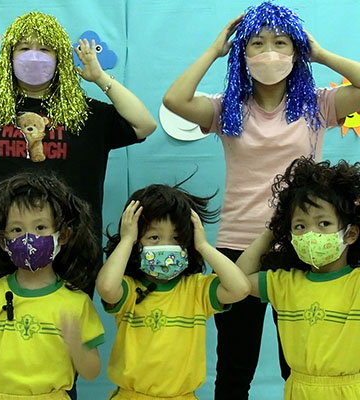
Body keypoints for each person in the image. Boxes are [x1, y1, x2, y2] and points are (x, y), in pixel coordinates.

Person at [162, 2, 360, 398]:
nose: (269, 52)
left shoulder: (317, 104)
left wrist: (320, 54)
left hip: (302, 245)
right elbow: (175, 101)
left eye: (281, 42)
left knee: (299, 360)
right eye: (257, 43)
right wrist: (215, 50)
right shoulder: (228, 108)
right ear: (243, 53)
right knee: (235, 366)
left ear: (296, 51)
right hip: (237, 247)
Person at [0, 11, 156, 303]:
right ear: (9, 57)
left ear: (60, 58)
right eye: (24, 48)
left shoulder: (87, 114)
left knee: (65, 333)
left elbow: (144, 125)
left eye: (45, 49)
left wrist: (100, 77)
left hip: (70, 253)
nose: (34, 56)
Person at [96, 183, 251, 399]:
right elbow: (106, 287)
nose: (166, 246)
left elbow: (240, 288)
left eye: (177, 238)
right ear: (137, 243)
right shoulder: (129, 289)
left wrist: (203, 246)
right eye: (154, 237)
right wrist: (127, 239)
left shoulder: (197, 289)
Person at [0, 172, 105, 400]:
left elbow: (91, 372)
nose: (29, 238)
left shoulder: (77, 302)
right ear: (2, 240)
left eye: (40, 227)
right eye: (16, 230)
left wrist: (76, 346)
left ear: (63, 235)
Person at [237, 156, 360, 399]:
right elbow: (237, 282)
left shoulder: (356, 283)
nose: (310, 234)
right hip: (298, 390)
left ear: (350, 234)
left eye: (323, 223)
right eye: (300, 226)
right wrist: (271, 232)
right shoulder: (285, 284)